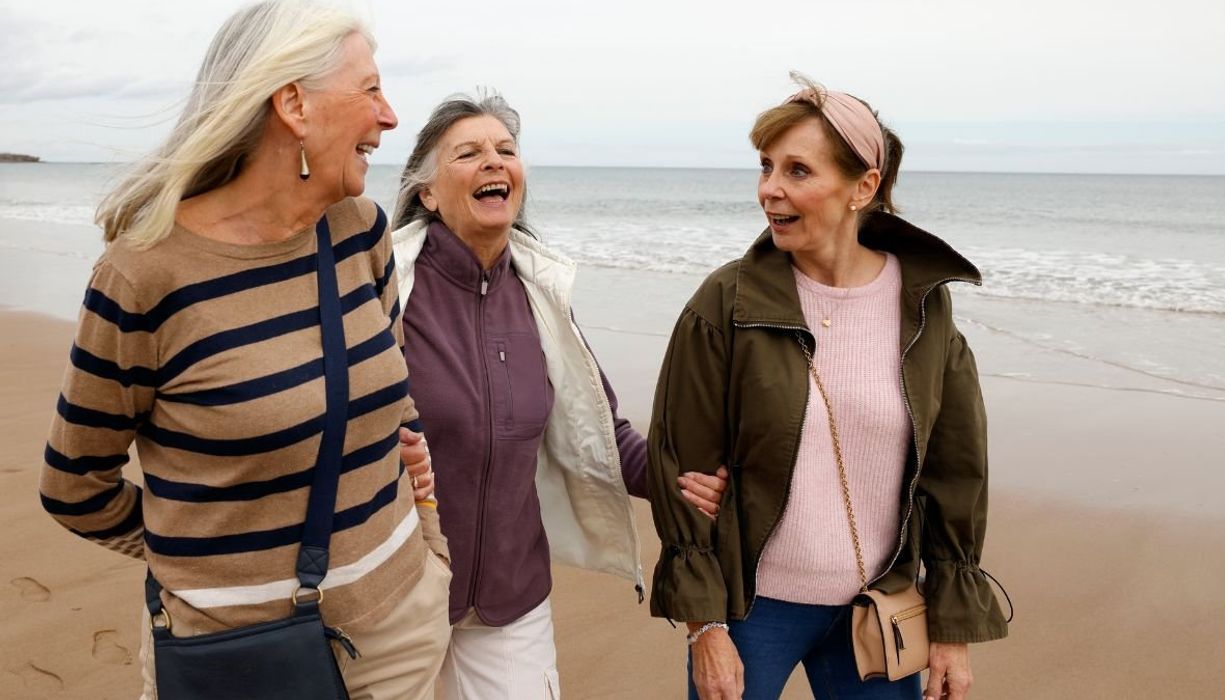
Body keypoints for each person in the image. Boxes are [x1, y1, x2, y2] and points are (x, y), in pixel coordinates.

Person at [38, 2, 450, 697]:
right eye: (371, 89)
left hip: (402, 628)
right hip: (238, 658)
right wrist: (201, 571)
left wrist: (427, 538)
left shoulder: (360, 231)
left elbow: (391, 390)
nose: (390, 117)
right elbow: (74, 486)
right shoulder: (144, 276)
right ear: (293, 104)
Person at [646, 74, 1010, 700]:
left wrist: (952, 628)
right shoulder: (725, 303)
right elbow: (681, 467)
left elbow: (955, 474)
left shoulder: (924, 307)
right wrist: (704, 625)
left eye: (797, 171)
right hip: (750, 608)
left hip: (878, 607)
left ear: (863, 187)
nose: (769, 190)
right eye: (765, 167)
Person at [390, 91, 728, 699]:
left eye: (507, 150)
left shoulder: (543, 298)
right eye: (468, 153)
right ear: (428, 193)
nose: (494, 162)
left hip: (509, 595)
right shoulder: (385, 290)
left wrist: (684, 479)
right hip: (396, 593)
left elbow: (605, 436)